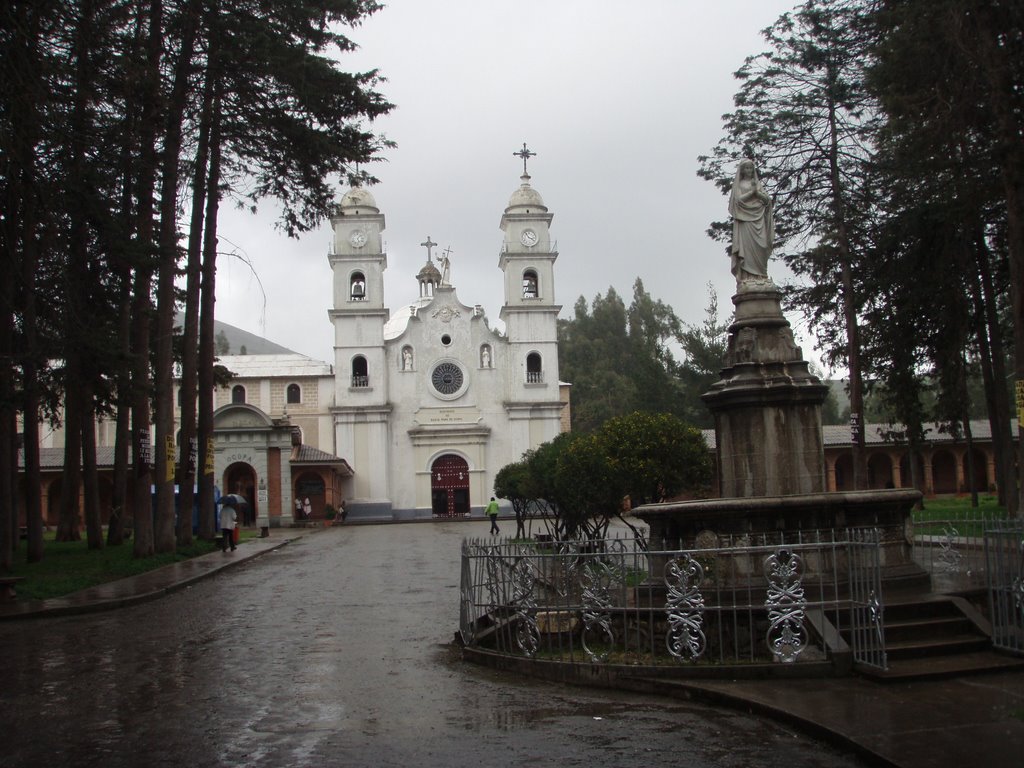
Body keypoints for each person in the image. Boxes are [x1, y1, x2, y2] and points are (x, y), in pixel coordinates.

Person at [728, 158, 774, 285]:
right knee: (747, 250)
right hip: (745, 220)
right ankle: (748, 278)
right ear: (742, 170)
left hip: (758, 219)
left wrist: (757, 193)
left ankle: (762, 277)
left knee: (762, 246)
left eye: (750, 168)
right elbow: (738, 200)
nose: (749, 170)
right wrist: (752, 192)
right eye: (746, 168)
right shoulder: (740, 184)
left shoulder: (757, 184)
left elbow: (766, 200)